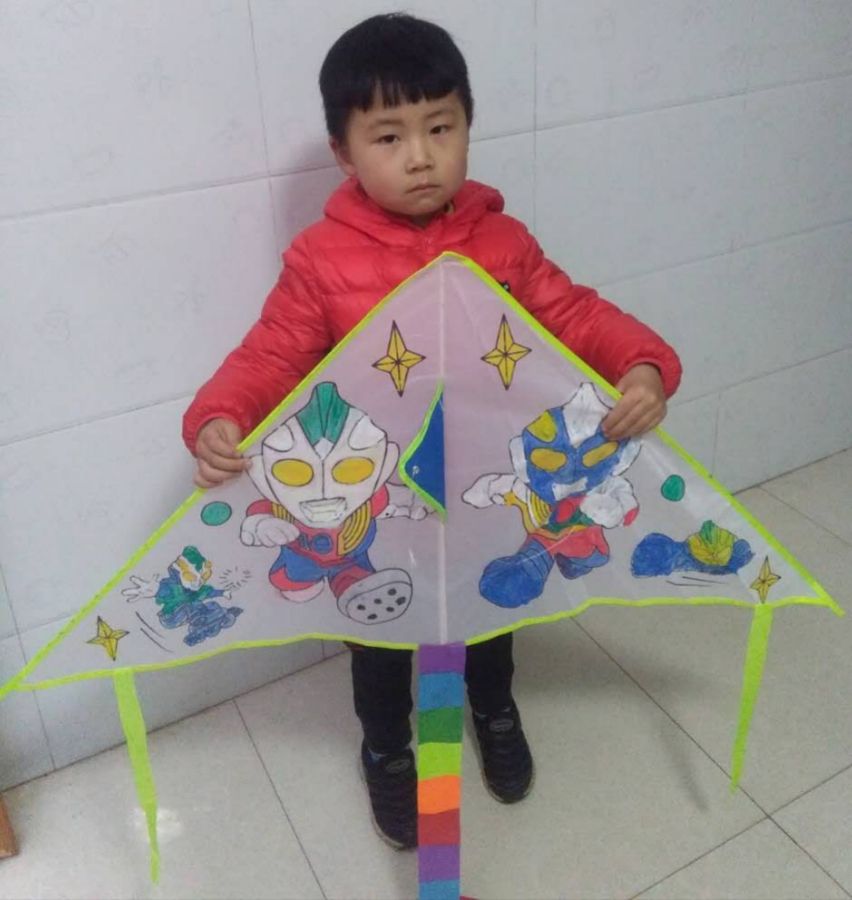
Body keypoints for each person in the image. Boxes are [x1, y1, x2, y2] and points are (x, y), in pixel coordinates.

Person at [182, 13, 681, 850]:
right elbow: (271, 353)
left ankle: (494, 708)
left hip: (483, 486)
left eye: (441, 128)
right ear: (345, 152)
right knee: (380, 637)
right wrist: (220, 417)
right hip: (378, 502)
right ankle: (386, 748)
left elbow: (572, 313)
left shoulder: (503, 242)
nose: (420, 156)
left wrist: (640, 363)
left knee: (490, 611)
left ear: (467, 128)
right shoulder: (321, 260)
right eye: (389, 136)